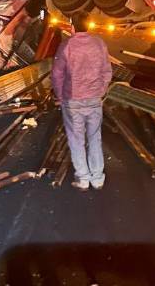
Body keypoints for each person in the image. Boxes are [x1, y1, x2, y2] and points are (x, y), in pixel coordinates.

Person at [51, 11, 113, 191]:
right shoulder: (99, 43)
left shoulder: (66, 45)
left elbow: (57, 74)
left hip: (72, 101)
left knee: (76, 140)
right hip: (94, 98)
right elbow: (106, 71)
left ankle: (83, 179)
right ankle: (98, 178)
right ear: (89, 25)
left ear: (72, 26)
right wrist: (101, 90)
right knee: (95, 137)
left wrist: (60, 96)